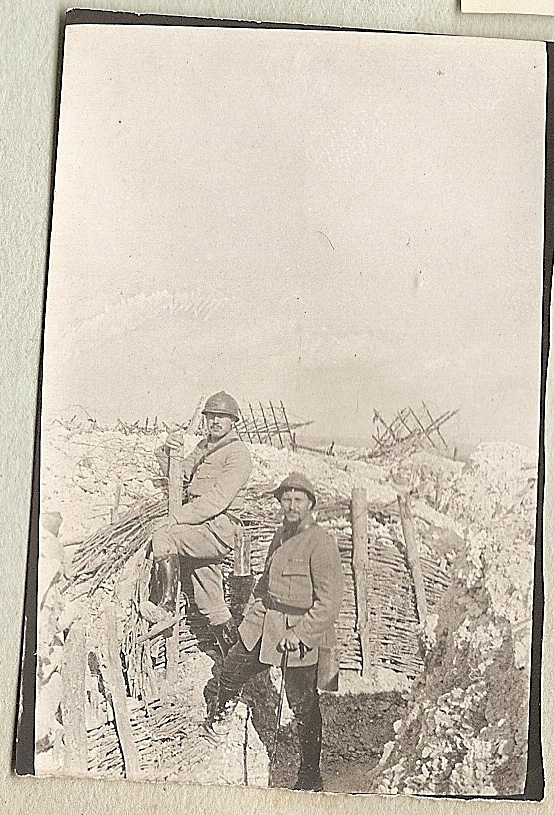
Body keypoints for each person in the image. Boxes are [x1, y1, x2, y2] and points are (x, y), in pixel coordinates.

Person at [203, 472, 344, 792]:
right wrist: (251, 614)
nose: (291, 505)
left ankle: (310, 776)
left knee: (303, 704)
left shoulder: (321, 543)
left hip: (299, 632)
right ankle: (220, 721)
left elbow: (329, 603)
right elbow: (265, 582)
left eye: (298, 500)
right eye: (286, 499)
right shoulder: (280, 534)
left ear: (310, 504)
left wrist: (301, 634)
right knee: (233, 666)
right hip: (266, 621)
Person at [149, 391, 252, 655]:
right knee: (212, 604)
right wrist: (168, 450)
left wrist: (177, 518)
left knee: (164, 536)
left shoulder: (238, 454)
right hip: (200, 529)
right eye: (211, 416)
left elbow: (216, 500)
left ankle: (166, 606)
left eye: (222, 417)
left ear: (234, 421)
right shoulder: (205, 447)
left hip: (217, 529)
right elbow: (178, 475)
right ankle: (237, 665)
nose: (215, 421)